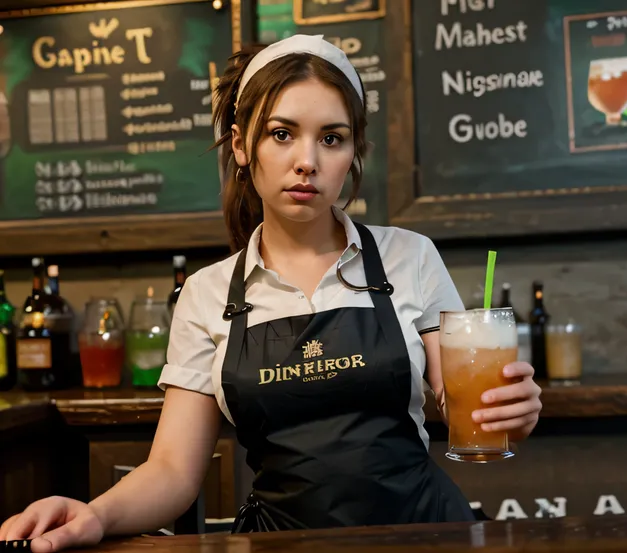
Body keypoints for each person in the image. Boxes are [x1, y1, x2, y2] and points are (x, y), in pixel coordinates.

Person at [0, 34, 542, 551]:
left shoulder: (410, 256)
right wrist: (94, 514)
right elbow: (171, 471)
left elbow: (458, 401)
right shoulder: (207, 295)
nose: (307, 160)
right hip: (279, 542)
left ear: (353, 152)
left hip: (424, 536)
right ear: (241, 145)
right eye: (282, 133)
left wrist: (508, 411)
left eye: (331, 138)